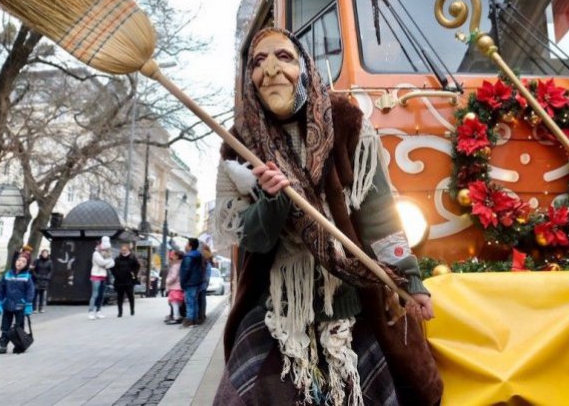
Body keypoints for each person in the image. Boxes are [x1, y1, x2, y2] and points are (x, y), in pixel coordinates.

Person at [213, 28, 441, 406]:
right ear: (249, 78)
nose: (270, 69)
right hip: (279, 308)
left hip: (350, 299)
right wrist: (272, 200)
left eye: (283, 57)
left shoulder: (347, 122)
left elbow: (379, 213)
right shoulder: (240, 143)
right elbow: (251, 239)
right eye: (258, 61)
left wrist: (411, 279)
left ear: (304, 67)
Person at [0, 255, 34, 354]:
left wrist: (28, 304)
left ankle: (19, 345)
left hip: (20, 305)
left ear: (26, 265)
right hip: (7, 305)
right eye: (18, 260)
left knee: (19, 326)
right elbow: (1, 290)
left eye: (23, 261)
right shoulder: (7, 275)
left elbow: (30, 291)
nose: (20, 263)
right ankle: (3, 344)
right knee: (5, 326)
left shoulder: (27, 277)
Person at [179, 238, 204, 327]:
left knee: (189, 302)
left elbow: (185, 270)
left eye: (186, 244)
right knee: (195, 301)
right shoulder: (198, 255)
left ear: (190, 245)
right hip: (198, 282)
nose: (185, 245)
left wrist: (182, 282)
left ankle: (189, 321)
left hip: (190, 282)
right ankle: (195, 320)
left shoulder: (189, 256)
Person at [88, 236, 114, 320]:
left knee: (101, 295)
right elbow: (101, 263)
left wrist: (108, 263)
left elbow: (111, 264)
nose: (106, 250)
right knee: (95, 294)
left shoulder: (107, 254)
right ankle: (91, 312)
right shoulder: (95, 253)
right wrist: (109, 262)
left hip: (103, 276)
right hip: (95, 275)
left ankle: (98, 311)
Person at [112, 243, 140, 317]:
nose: (123, 251)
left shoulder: (132, 257)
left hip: (129, 280)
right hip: (119, 280)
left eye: (125, 250)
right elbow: (113, 268)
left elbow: (137, 266)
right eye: (122, 250)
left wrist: (133, 273)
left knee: (130, 295)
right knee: (120, 297)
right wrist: (116, 275)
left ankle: (132, 310)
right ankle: (120, 312)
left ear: (128, 250)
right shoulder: (117, 258)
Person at [164, 249, 184, 325]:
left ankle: (176, 317)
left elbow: (173, 276)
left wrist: (167, 281)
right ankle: (177, 316)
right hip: (178, 286)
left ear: (177, 256)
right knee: (177, 302)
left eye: (174, 255)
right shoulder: (180, 264)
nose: (172, 256)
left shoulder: (175, 266)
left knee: (174, 302)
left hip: (175, 286)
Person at [32, 249, 53, 313]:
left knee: (42, 294)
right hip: (37, 279)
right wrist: (36, 276)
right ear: (41, 254)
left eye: (46, 253)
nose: (44, 254)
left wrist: (47, 277)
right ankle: (34, 308)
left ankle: (41, 308)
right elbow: (33, 269)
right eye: (43, 253)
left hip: (44, 279)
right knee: (35, 294)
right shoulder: (37, 261)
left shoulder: (50, 262)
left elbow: (51, 270)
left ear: (47, 254)